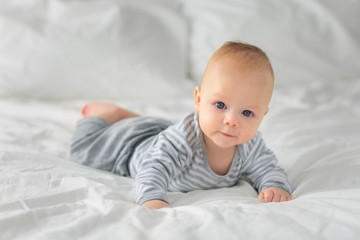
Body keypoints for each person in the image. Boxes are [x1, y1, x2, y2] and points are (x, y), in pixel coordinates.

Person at [68, 41, 292, 209]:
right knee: (82, 151)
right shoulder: (183, 140)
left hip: (161, 132)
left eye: (247, 112)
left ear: (263, 115)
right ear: (198, 100)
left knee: (161, 132)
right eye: (220, 105)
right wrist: (153, 198)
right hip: (129, 146)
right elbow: (153, 168)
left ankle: (134, 118)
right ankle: (104, 114)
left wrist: (275, 186)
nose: (231, 120)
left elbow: (268, 168)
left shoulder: (250, 144)